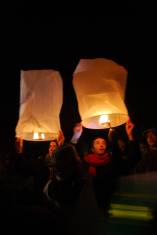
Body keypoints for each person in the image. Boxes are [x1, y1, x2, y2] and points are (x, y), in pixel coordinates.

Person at [72, 119, 141, 213]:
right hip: (92, 208)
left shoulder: (112, 161)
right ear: (92, 149)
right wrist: (75, 137)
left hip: (116, 206)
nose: (101, 145)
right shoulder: (86, 164)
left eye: (103, 142)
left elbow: (133, 159)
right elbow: (71, 159)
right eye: (97, 143)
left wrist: (130, 135)